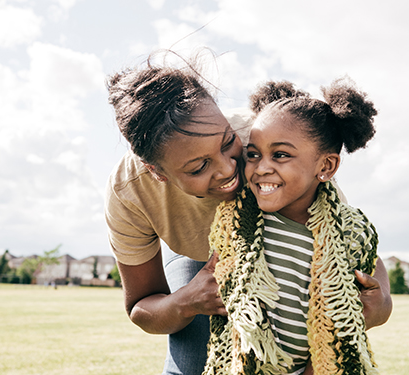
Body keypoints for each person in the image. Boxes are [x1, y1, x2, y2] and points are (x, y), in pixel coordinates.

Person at [105, 54, 392, 375]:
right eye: (199, 166)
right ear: (156, 171)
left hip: (273, 256)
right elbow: (141, 307)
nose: (229, 169)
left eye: (228, 143)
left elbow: (347, 251)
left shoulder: (271, 148)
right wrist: (187, 300)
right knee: (193, 359)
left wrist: (381, 304)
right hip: (197, 256)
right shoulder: (130, 190)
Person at [204, 79, 386, 375]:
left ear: (326, 167)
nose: (261, 167)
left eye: (280, 155)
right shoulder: (237, 223)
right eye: (254, 154)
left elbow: (348, 311)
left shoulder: (346, 232)